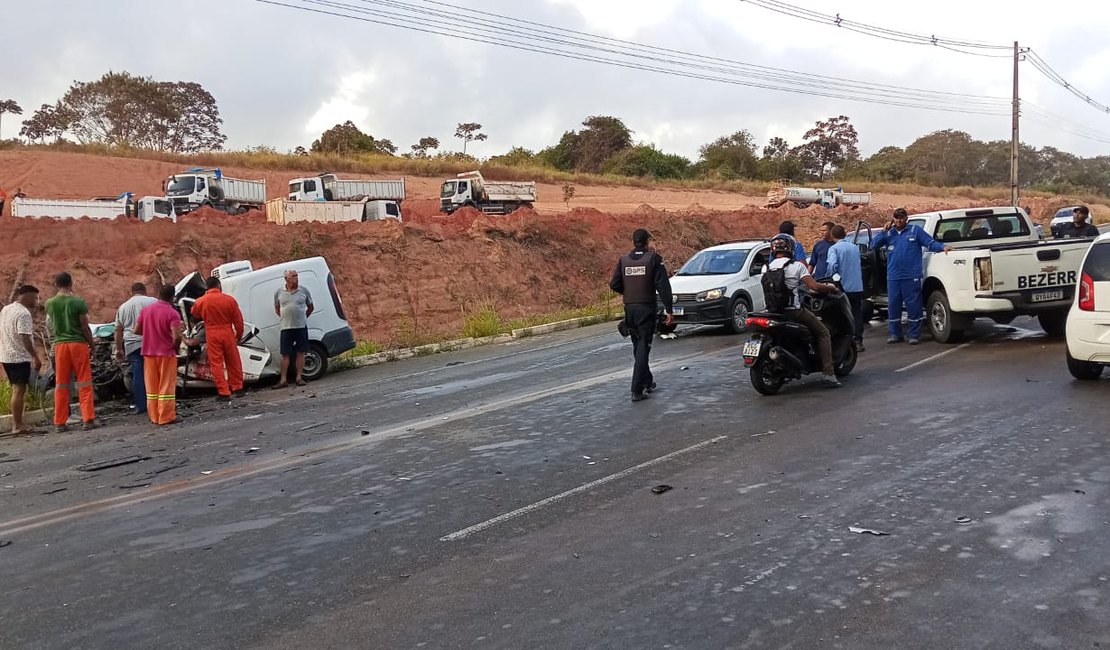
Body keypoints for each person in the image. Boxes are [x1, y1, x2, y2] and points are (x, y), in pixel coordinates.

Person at [765, 234, 842, 388]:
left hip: (773, 312)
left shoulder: (767, 267)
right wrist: (831, 288)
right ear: (791, 248)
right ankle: (829, 373)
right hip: (793, 311)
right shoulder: (797, 266)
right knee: (823, 332)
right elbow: (814, 286)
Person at [870, 208, 951, 345]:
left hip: (911, 276)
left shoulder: (915, 231)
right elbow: (873, 245)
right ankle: (895, 334)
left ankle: (914, 335)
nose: (899, 220)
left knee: (913, 306)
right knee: (893, 305)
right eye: (896, 217)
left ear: (906, 218)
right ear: (893, 218)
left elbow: (930, 243)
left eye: (902, 217)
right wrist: (883, 232)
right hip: (894, 277)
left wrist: (942, 247)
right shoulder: (889, 233)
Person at [610, 228, 673, 402]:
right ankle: (636, 389)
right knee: (644, 346)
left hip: (630, 309)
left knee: (638, 344)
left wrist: (629, 291)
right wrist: (669, 309)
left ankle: (647, 380)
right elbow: (663, 286)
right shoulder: (653, 259)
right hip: (646, 308)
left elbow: (614, 283)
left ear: (633, 242)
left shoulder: (624, 260)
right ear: (647, 242)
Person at [44, 272, 96, 432]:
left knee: (61, 384)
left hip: (60, 346)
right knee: (84, 381)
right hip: (78, 344)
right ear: (71, 283)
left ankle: (60, 422)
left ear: (56, 284)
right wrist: (91, 344)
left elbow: (50, 325)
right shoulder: (78, 302)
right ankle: (88, 419)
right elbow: (84, 326)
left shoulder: (49, 303)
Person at [190, 276, 245, 403]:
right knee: (234, 360)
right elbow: (238, 321)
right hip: (227, 332)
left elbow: (194, 314)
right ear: (219, 285)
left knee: (216, 364)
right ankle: (237, 387)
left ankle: (224, 391)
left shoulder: (201, 301)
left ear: (206, 288)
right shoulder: (229, 300)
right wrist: (239, 335)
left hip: (212, 333)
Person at [134, 285, 183, 425]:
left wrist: (151, 334)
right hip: (166, 353)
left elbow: (136, 330)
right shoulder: (172, 313)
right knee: (166, 386)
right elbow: (177, 337)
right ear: (172, 297)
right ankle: (166, 416)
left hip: (148, 353)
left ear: (158, 294)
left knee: (152, 388)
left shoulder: (146, 310)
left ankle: (154, 416)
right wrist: (176, 348)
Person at [1, 285, 44, 435]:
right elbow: (25, 337)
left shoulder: (6, 309)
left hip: (6, 355)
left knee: (16, 389)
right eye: (34, 297)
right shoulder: (23, 313)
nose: (36, 301)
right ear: (26, 295)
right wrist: (35, 356)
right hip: (19, 356)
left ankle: (18, 423)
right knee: (19, 390)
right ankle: (17, 425)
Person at [114, 283, 157, 416]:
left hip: (131, 344)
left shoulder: (123, 307)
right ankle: (156, 404)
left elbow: (118, 330)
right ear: (144, 291)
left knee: (138, 374)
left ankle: (141, 405)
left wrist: (118, 349)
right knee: (154, 373)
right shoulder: (153, 301)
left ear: (131, 292)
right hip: (150, 342)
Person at [826, 225, 866, 352]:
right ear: (844, 234)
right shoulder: (855, 248)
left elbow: (832, 265)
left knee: (842, 314)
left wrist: (830, 277)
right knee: (857, 313)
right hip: (857, 286)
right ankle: (858, 340)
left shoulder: (834, 249)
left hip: (842, 287)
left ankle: (845, 342)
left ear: (832, 236)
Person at [273, 269, 314, 388]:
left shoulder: (303, 290)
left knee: (301, 352)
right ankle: (283, 380)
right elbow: (277, 308)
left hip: (301, 326)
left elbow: (310, 307)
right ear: (286, 279)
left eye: (297, 276)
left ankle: (299, 377)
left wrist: (303, 317)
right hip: (286, 327)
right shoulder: (279, 292)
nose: (296, 278)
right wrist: (285, 317)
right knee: (285, 354)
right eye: (293, 276)